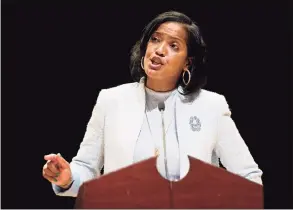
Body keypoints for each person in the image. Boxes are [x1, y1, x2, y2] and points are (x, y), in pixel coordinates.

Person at [42, 10, 263, 197]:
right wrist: (68, 178)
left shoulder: (211, 106)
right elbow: (86, 168)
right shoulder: (111, 100)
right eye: (155, 39)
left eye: (173, 46)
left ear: (188, 62)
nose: (159, 50)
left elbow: (249, 179)